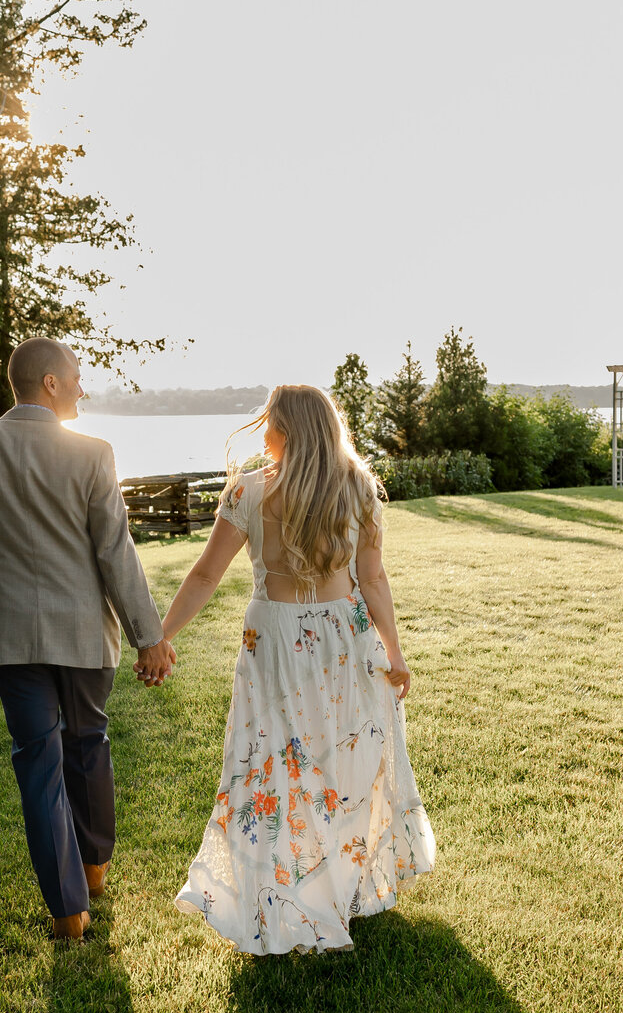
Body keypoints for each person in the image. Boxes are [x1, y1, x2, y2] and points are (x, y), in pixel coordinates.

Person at [162, 384, 435, 954]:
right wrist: (394, 650)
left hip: (277, 640)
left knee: (275, 767)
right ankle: (339, 889)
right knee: (341, 765)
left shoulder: (252, 491)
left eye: (269, 421)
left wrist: (160, 637)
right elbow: (374, 580)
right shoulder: (358, 488)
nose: (263, 432)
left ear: (285, 430)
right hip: (343, 638)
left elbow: (206, 576)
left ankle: (292, 896)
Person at [0, 337, 176, 943]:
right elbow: (114, 553)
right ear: (48, 382)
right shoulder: (94, 454)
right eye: (74, 378)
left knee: (38, 764)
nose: (80, 387)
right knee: (88, 743)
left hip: (10, 636)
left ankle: (69, 912)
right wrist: (150, 636)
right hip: (82, 634)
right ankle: (93, 869)